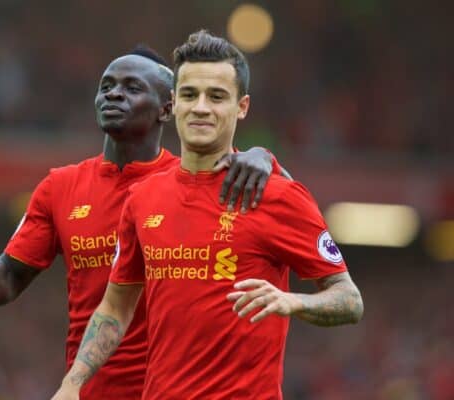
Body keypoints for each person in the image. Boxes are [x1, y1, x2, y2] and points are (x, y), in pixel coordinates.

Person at [0, 46, 291, 399]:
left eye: (132, 88)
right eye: (106, 85)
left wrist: (264, 158)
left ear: (167, 108)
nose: (114, 93)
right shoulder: (60, 187)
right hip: (91, 391)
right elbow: (6, 281)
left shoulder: (194, 180)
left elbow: (291, 207)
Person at [52, 31, 364, 400]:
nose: (201, 107)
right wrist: (73, 384)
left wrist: (293, 301)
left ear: (242, 106)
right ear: (173, 103)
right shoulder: (142, 198)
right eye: (189, 94)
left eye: (216, 96)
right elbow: (116, 306)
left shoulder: (276, 195)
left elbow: (349, 300)